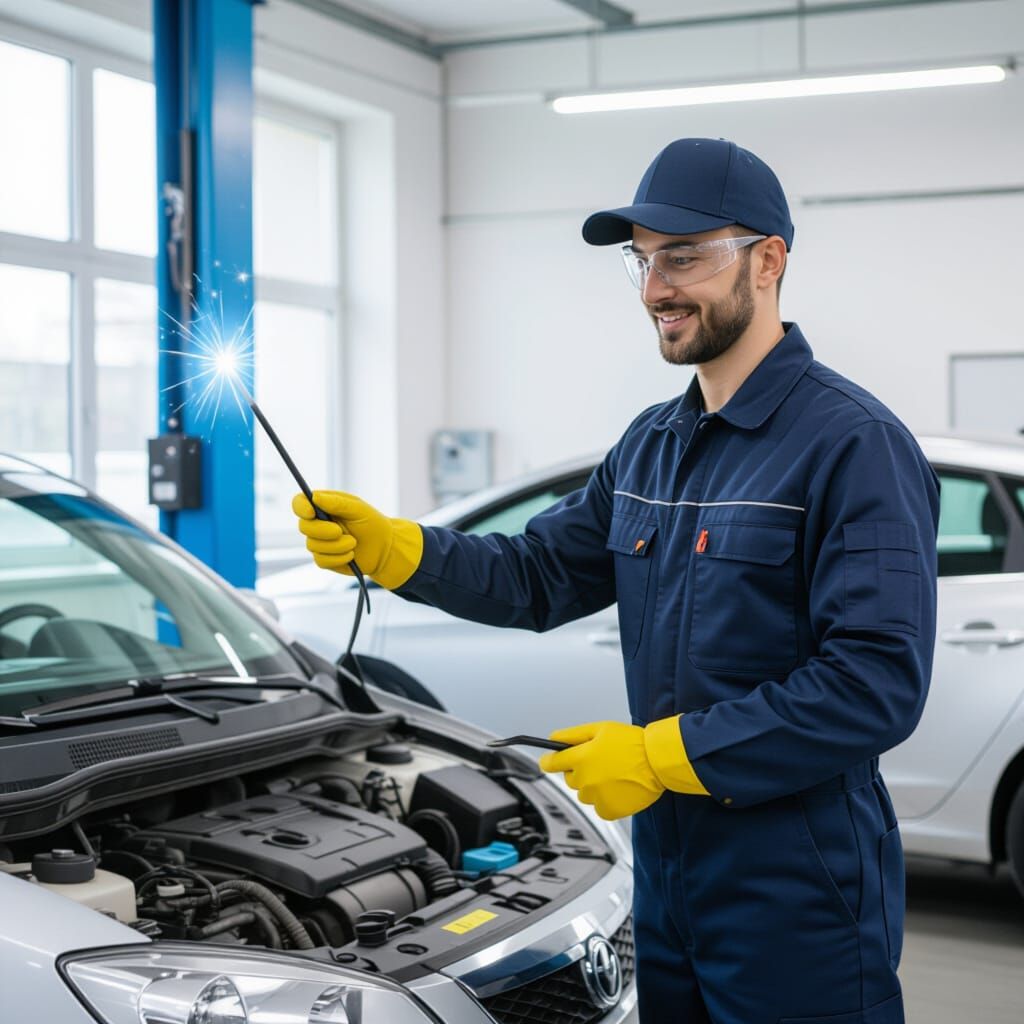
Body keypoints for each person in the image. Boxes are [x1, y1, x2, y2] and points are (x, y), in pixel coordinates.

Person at [294, 137, 939, 1024]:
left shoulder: (852, 445)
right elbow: (538, 574)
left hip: (799, 882)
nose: (654, 289)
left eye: (684, 257)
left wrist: (660, 756)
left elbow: (873, 685)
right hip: (667, 874)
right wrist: (401, 551)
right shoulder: (651, 444)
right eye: (643, 261)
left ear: (769, 260)